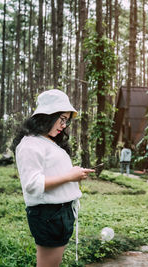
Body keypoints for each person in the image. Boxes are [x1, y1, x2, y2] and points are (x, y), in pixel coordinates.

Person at [12, 89, 94, 267]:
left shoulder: (48, 141)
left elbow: (53, 173)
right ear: (48, 115)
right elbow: (32, 184)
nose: (64, 125)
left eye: (67, 121)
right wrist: (69, 176)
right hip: (49, 214)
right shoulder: (30, 144)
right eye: (62, 119)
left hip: (60, 212)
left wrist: (74, 174)